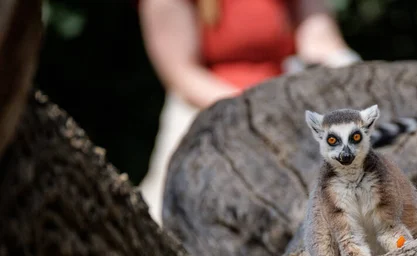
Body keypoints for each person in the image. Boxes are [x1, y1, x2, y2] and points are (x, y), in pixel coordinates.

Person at [137, 0, 361, 224]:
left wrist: (355, 78)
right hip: (207, 115)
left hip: (287, 110)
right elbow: (183, 76)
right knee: (172, 217)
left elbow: (320, 41)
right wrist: (257, 111)